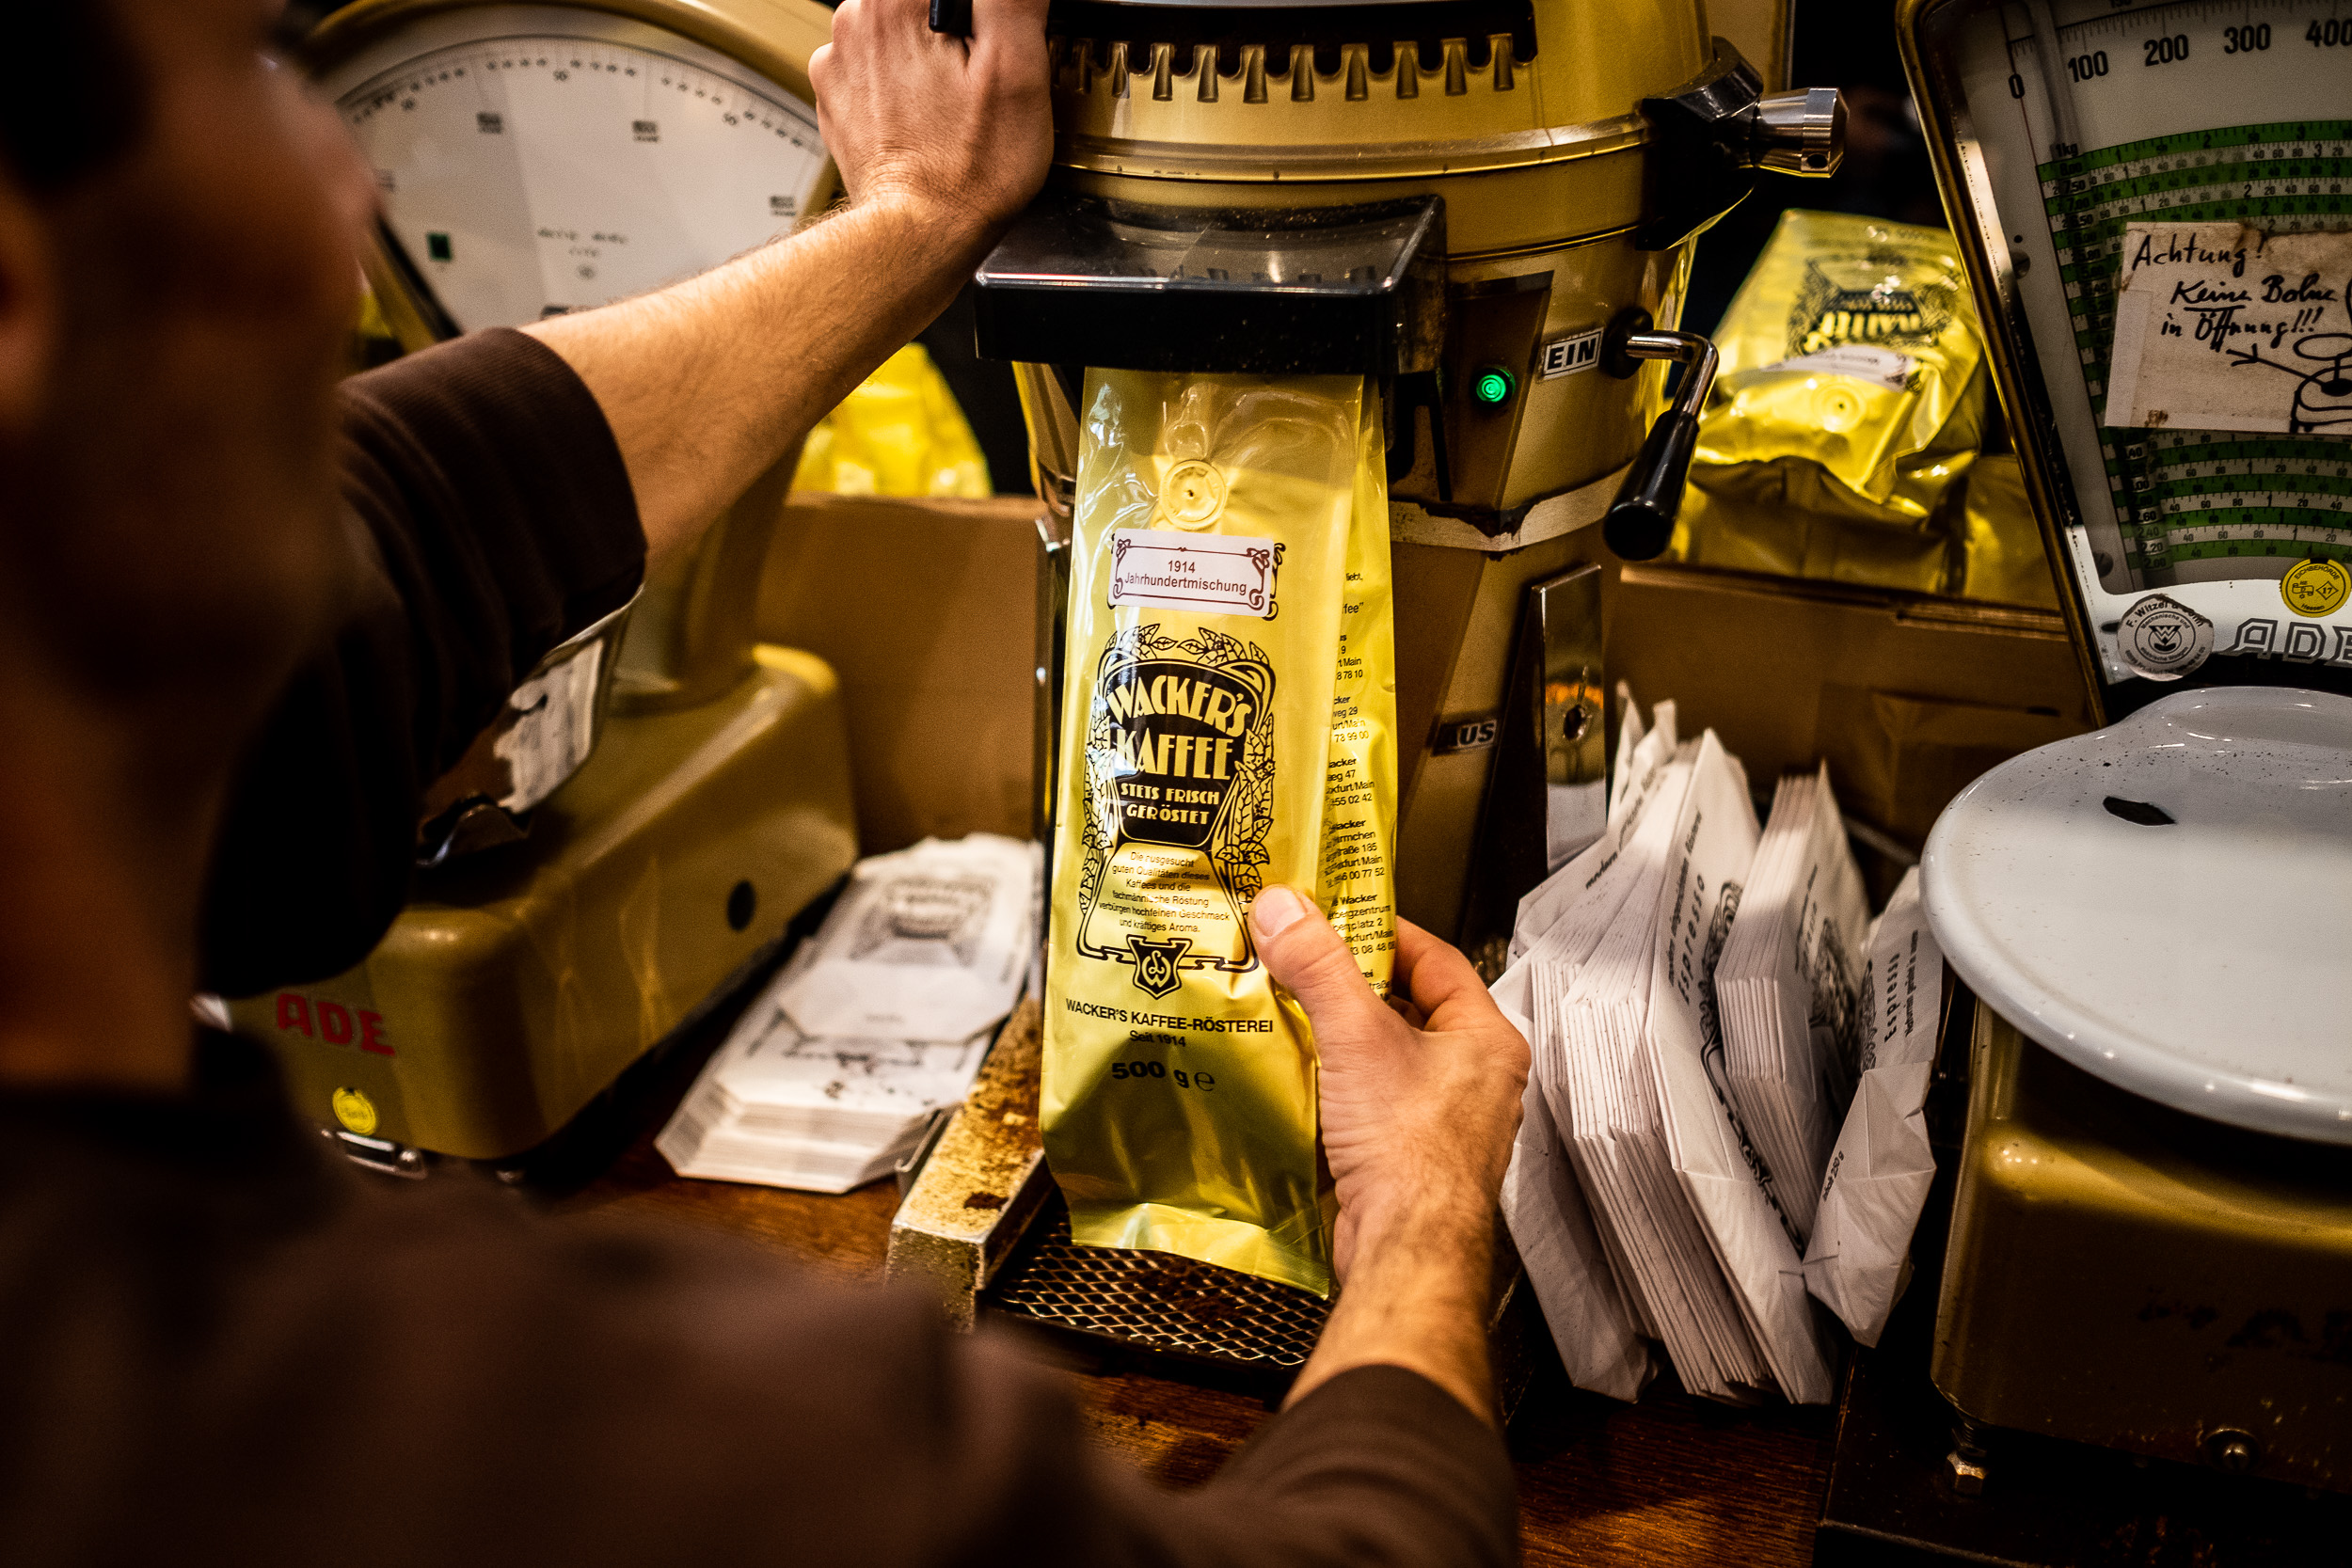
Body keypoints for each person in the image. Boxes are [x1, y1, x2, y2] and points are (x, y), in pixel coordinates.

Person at [0, 1, 1534, 1563]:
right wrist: (1417, 1216)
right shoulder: (628, 1455)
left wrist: (914, 221)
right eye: (250, 78)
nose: (346, 199)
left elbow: (434, 511)